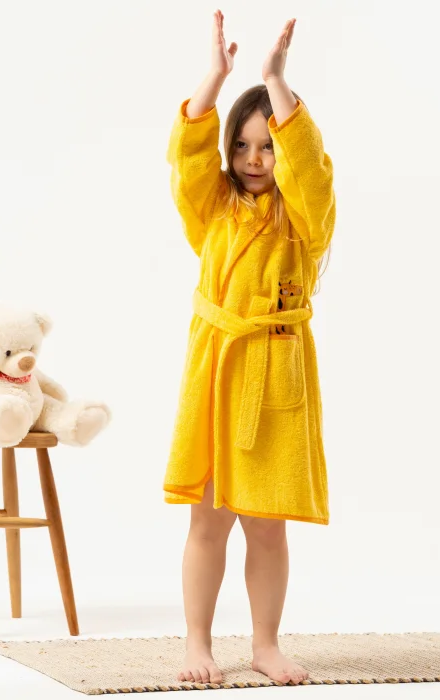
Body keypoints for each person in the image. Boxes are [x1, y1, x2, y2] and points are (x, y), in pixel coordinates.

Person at [163, 9, 336, 687]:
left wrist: (275, 80)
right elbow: (187, 160)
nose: (254, 160)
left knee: (266, 527)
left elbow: (312, 172)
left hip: (275, 378)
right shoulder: (212, 210)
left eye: (268, 147)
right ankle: (196, 644)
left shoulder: (305, 222)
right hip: (217, 374)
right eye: (241, 146)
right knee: (208, 522)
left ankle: (266, 645)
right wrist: (215, 77)